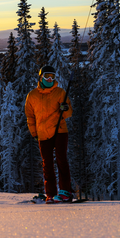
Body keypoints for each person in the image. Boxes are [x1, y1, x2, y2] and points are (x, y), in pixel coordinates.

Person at [25, 65, 73, 204]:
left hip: (59, 130)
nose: (50, 79)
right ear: (41, 77)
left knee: (61, 160)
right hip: (42, 133)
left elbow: (69, 113)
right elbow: (30, 116)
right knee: (47, 164)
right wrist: (34, 133)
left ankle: (65, 192)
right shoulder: (32, 95)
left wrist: (65, 109)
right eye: (47, 76)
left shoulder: (59, 92)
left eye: (52, 76)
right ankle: (50, 194)